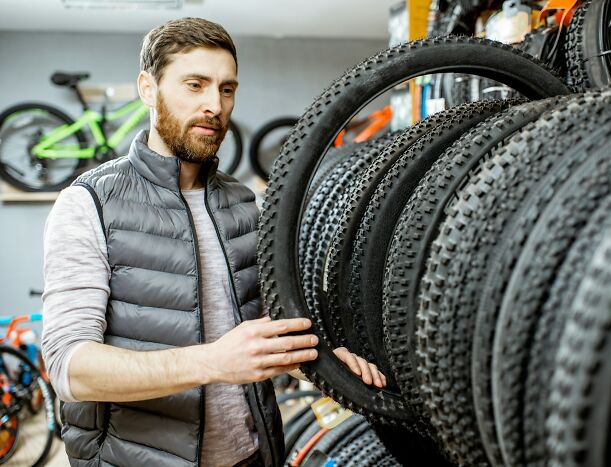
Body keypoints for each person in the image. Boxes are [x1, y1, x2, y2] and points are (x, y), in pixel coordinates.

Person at [41, 17, 385, 467]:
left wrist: (320, 360)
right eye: (195, 85)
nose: (214, 105)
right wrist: (215, 362)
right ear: (148, 88)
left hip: (252, 455)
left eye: (226, 89)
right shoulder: (88, 204)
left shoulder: (244, 203)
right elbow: (70, 369)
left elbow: (259, 336)